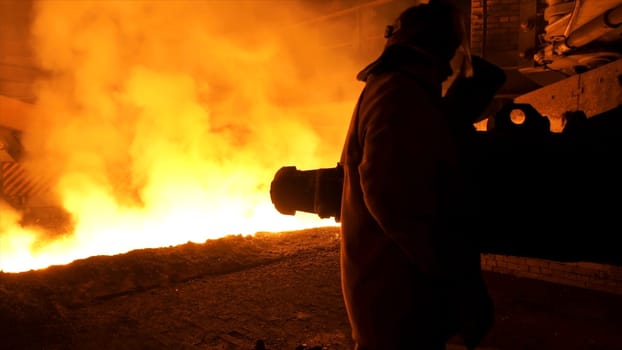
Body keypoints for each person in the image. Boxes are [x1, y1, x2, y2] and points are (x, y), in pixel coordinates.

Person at [338, 1, 494, 349]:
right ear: (428, 53)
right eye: (445, 60)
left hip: (394, 302)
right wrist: (458, 282)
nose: (445, 73)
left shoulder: (398, 93)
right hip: (398, 304)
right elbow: (393, 199)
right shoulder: (398, 94)